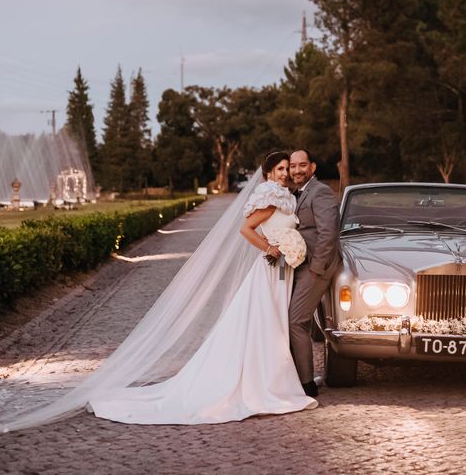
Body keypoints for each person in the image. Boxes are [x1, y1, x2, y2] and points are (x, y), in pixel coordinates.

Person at [86, 151, 317, 424]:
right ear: (267, 173)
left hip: (282, 272)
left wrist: (292, 248)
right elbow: (246, 229)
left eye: (285, 169)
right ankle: (264, 384)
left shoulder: (285, 196)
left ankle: (273, 379)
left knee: (272, 325)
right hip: (269, 270)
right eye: (279, 169)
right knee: (267, 326)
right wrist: (270, 247)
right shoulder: (271, 196)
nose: (284, 173)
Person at [289, 149, 342, 397]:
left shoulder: (320, 191)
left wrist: (315, 269)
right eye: (293, 166)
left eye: (302, 165)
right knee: (299, 322)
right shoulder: (297, 192)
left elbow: (328, 233)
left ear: (312, 167)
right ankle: (294, 377)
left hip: (317, 268)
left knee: (296, 321)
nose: (297, 170)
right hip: (300, 265)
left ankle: (306, 385)